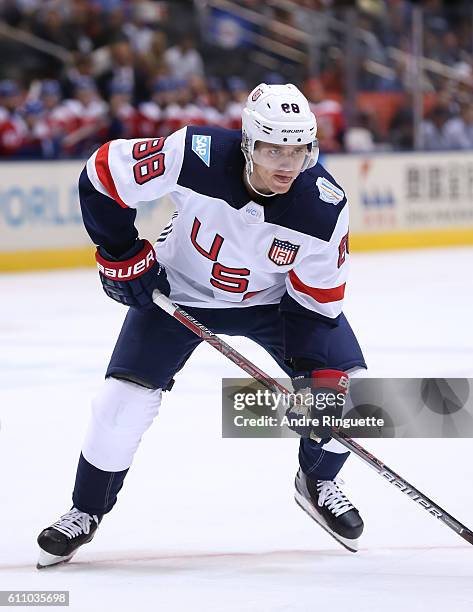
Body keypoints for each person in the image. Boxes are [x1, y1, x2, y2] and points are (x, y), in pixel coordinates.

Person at [37, 83, 366, 568]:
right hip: (178, 292)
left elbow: (316, 305)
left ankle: (318, 479)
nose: (287, 163)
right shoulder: (194, 154)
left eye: (299, 150)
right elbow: (103, 173)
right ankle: (84, 511)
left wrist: (315, 375)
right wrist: (121, 252)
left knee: (352, 392)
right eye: (274, 148)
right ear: (249, 143)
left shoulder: (323, 207)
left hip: (275, 305)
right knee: (120, 403)